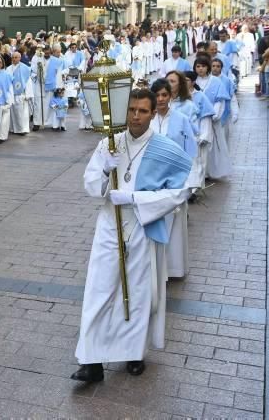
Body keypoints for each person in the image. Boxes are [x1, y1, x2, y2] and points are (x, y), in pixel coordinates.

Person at [72, 89, 192, 383]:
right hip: (109, 224)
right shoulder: (108, 144)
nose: (136, 116)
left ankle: (133, 353)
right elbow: (89, 184)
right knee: (99, 290)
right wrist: (104, 171)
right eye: (132, 110)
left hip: (141, 225)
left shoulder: (165, 149)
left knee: (138, 292)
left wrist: (137, 199)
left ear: (153, 113)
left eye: (142, 111)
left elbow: (181, 191)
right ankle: (91, 360)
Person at [150, 79, 197, 279]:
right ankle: (154, 270)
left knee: (175, 226)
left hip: (175, 181)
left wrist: (190, 183)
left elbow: (190, 152)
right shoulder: (147, 119)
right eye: (157, 95)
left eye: (164, 95)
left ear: (171, 96)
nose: (160, 99)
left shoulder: (181, 119)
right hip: (150, 181)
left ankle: (173, 269)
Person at [194, 56, 231, 181]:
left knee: (212, 146)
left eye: (203, 66)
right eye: (198, 66)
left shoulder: (215, 81)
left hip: (211, 118)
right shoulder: (192, 82)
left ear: (208, 67)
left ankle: (210, 171)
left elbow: (220, 100)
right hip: (195, 119)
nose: (200, 69)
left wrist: (214, 114)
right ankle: (199, 172)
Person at [7, 51, 33, 135]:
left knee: (22, 114)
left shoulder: (25, 68)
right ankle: (13, 129)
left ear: (20, 58)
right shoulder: (8, 68)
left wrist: (27, 94)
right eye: (13, 57)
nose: (14, 59)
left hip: (21, 94)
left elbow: (28, 81)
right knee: (13, 113)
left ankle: (22, 129)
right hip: (12, 94)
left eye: (16, 57)